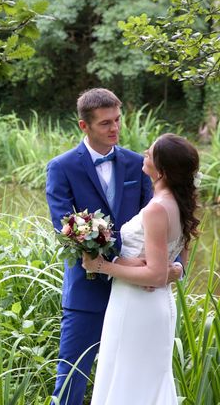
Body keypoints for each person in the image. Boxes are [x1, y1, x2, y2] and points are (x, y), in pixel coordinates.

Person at [46, 88, 181, 405]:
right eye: (106, 123)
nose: (115, 128)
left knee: (133, 380)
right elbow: (63, 227)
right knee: (71, 381)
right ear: (84, 126)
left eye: (117, 120)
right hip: (87, 291)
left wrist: (175, 267)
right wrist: (118, 261)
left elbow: (166, 222)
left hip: (138, 295)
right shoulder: (61, 167)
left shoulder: (140, 165)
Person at [82, 133, 199, 404]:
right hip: (154, 302)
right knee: (141, 380)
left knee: (130, 383)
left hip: (138, 304)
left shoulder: (157, 209)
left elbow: (156, 275)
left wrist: (103, 266)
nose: (145, 152)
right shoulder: (177, 202)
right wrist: (135, 262)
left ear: (163, 171)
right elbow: (172, 260)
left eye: (151, 152)